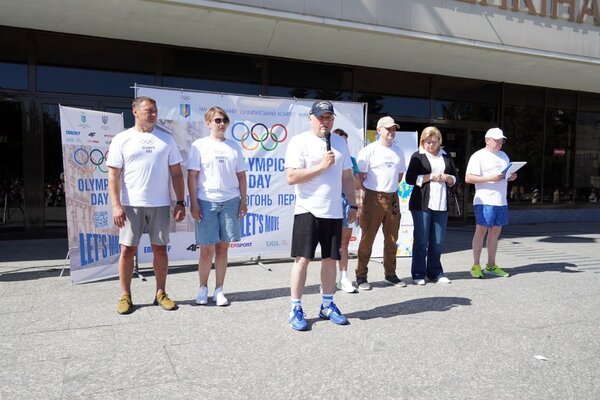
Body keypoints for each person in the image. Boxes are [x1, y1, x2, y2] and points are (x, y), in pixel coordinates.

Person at [107, 96, 186, 314]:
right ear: (135, 111)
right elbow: (113, 176)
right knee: (127, 250)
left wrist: (180, 202)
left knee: (160, 249)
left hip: (160, 204)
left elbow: (177, 174)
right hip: (130, 204)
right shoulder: (122, 139)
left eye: (155, 110)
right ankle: (125, 296)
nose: (153, 114)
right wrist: (116, 205)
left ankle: (160, 293)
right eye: (148, 110)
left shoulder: (166, 139)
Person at [284, 100, 358, 331]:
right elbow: (291, 177)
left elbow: (347, 177)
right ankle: (295, 308)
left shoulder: (340, 143)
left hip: (333, 212)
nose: (325, 121)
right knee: (303, 260)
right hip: (307, 210)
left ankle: (327, 305)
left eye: (329, 117)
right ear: (310, 118)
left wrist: (354, 205)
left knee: (330, 260)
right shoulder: (299, 142)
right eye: (321, 117)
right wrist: (321, 166)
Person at [187, 106, 248, 306]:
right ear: (208, 123)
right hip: (206, 201)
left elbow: (241, 175)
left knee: (223, 248)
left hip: (231, 201)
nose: (221, 124)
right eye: (217, 120)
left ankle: (219, 290)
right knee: (206, 250)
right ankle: (202, 288)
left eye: (224, 120)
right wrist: (193, 202)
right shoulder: (199, 145)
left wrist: (243, 200)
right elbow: (192, 175)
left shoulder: (233, 146)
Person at [354, 116, 406, 290]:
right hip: (373, 198)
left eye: (394, 129)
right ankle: (361, 276)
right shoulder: (369, 150)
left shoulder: (398, 151)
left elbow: (399, 176)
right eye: (388, 129)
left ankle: (390, 274)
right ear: (379, 130)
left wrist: (388, 191)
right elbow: (359, 178)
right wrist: (369, 196)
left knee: (392, 238)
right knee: (367, 238)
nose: (392, 132)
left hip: (393, 197)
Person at [405, 126, 458, 285]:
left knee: (438, 240)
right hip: (421, 203)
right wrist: (430, 177)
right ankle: (418, 273)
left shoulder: (446, 155)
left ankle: (436, 272)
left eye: (433, 142)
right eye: (427, 142)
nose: (430, 145)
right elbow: (409, 179)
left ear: (439, 141)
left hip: (441, 202)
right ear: (422, 141)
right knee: (421, 240)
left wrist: (449, 178)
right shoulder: (418, 156)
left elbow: (455, 177)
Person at [465, 127, 517, 279]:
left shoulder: (504, 156)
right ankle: (476, 265)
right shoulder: (478, 156)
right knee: (481, 231)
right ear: (487, 140)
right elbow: (468, 178)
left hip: (501, 200)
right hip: (484, 200)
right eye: (496, 140)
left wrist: (511, 176)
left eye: (501, 141)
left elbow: (505, 175)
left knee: (495, 232)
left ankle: (491, 265)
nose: (499, 143)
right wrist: (491, 178)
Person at [332, 128, 360, 293]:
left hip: (346, 202)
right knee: (329, 243)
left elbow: (356, 185)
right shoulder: (327, 158)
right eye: (339, 140)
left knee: (343, 243)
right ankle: (327, 281)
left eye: (345, 142)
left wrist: (348, 171)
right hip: (329, 203)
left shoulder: (352, 160)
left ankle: (343, 278)